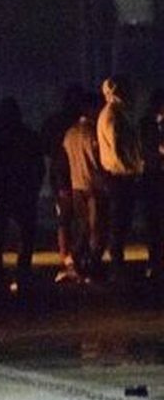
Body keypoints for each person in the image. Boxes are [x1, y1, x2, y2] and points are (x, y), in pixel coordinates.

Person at [0, 97, 45, 293]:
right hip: (22, 192)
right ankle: (22, 270)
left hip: (2, 193)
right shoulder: (28, 136)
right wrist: (34, 187)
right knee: (26, 234)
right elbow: (39, 166)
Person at [97, 76, 144, 282]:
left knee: (121, 222)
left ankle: (117, 264)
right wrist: (132, 169)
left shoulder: (117, 114)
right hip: (120, 178)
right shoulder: (113, 116)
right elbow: (118, 151)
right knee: (119, 222)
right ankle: (116, 266)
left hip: (121, 176)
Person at [41, 86, 83, 282]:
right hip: (71, 177)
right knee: (79, 220)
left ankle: (68, 257)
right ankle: (74, 258)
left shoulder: (54, 122)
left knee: (65, 220)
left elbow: (44, 148)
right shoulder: (78, 124)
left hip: (62, 177)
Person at [62, 93, 106, 279]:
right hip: (95, 186)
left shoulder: (69, 133)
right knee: (97, 228)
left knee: (83, 227)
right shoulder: (93, 132)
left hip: (76, 186)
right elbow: (100, 159)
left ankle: (76, 263)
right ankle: (92, 266)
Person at [140, 89, 164, 280]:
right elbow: (144, 149)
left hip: (156, 176)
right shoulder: (145, 124)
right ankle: (154, 261)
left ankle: (157, 262)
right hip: (152, 177)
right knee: (153, 222)